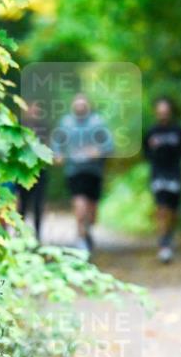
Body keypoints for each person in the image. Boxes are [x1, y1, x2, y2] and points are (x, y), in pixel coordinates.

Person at [51, 93, 114, 253]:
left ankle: (87, 232)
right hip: (74, 171)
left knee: (91, 214)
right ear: (73, 106)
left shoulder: (97, 122)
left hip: (93, 172)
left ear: (88, 106)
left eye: (83, 104)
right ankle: (81, 240)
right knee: (80, 207)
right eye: (77, 104)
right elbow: (56, 142)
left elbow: (109, 145)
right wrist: (57, 154)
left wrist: (98, 151)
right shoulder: (66, 123)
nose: (80, 107)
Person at [143, 97, 181, 263]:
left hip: (175, 173)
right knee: (162, 208)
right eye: (160, 112)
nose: (163, 114)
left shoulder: (179, 131)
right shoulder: (151, 132)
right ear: (156, 113)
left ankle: (169, 235)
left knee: (173, 211)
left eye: (165, 111)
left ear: (170, 112)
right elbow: (145, 154)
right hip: (158, 173)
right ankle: (163, 244)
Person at [18, 100, 50, 243]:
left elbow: (48, 148)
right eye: (32, 108)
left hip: (39, 172)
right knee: (23, 204)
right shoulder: (19, 126)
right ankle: (21, 233)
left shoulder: (44, 128)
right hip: (22, 171)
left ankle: (37, 234)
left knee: (38, 204)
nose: (34, 112)